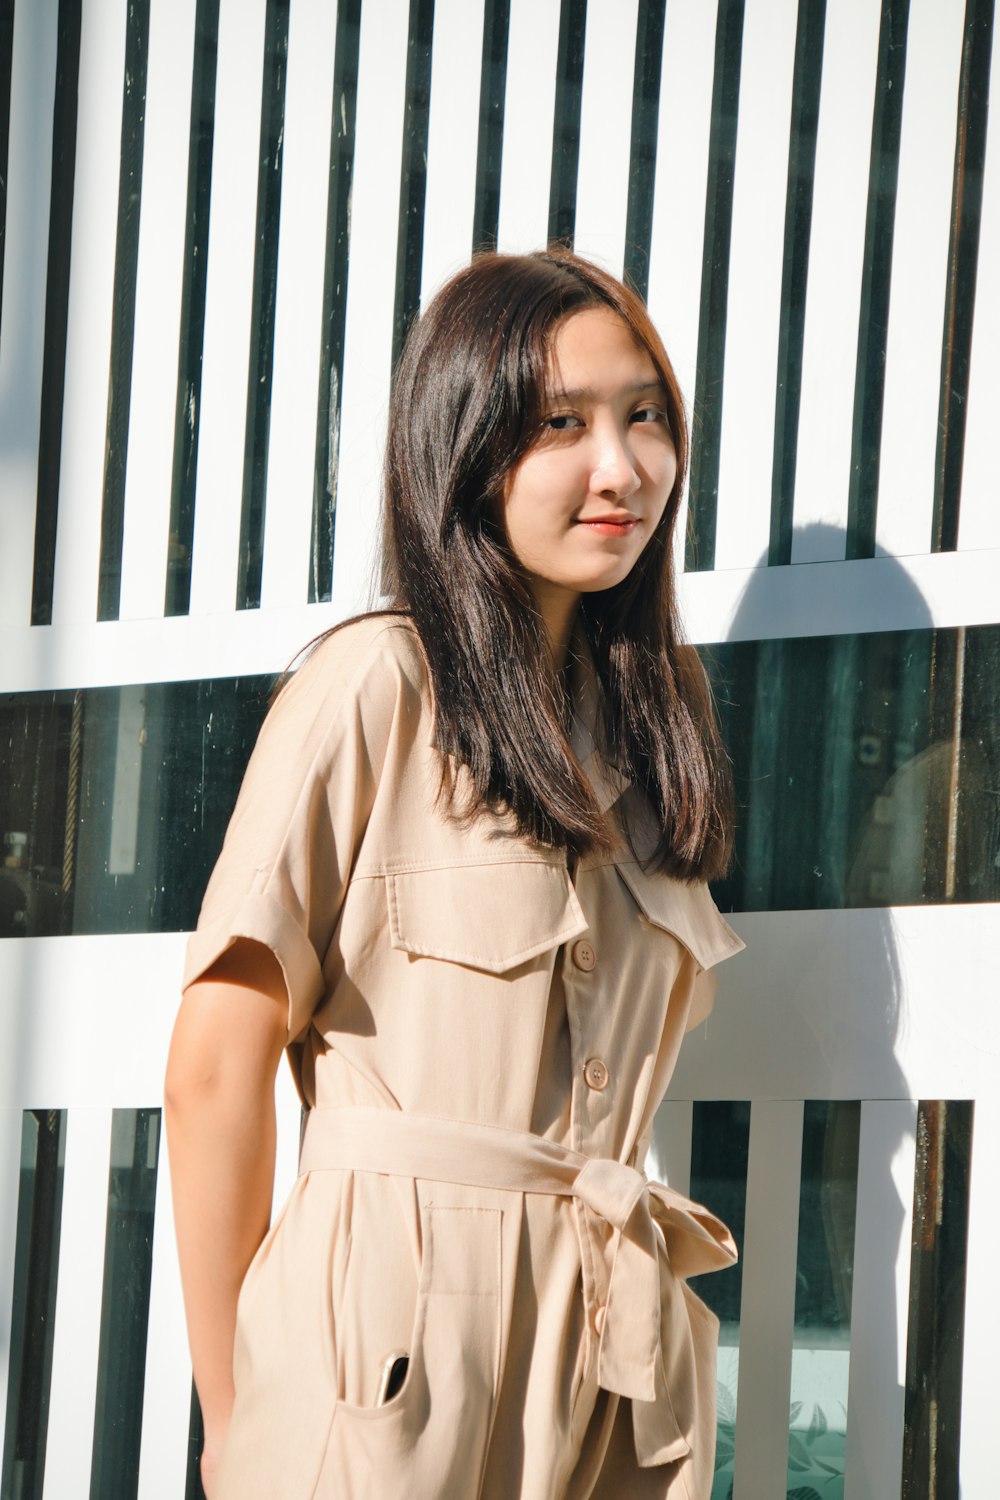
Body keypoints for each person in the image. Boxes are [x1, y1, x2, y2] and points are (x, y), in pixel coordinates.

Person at [165, 248, 745, 1500]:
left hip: (600, 1360)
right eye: (562, 424)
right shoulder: (374, 686)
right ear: (467, 448)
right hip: (384, 1356)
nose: (623, 467)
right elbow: (217, 1061)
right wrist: (236, 1406)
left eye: (645, 417)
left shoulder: (647, 729)